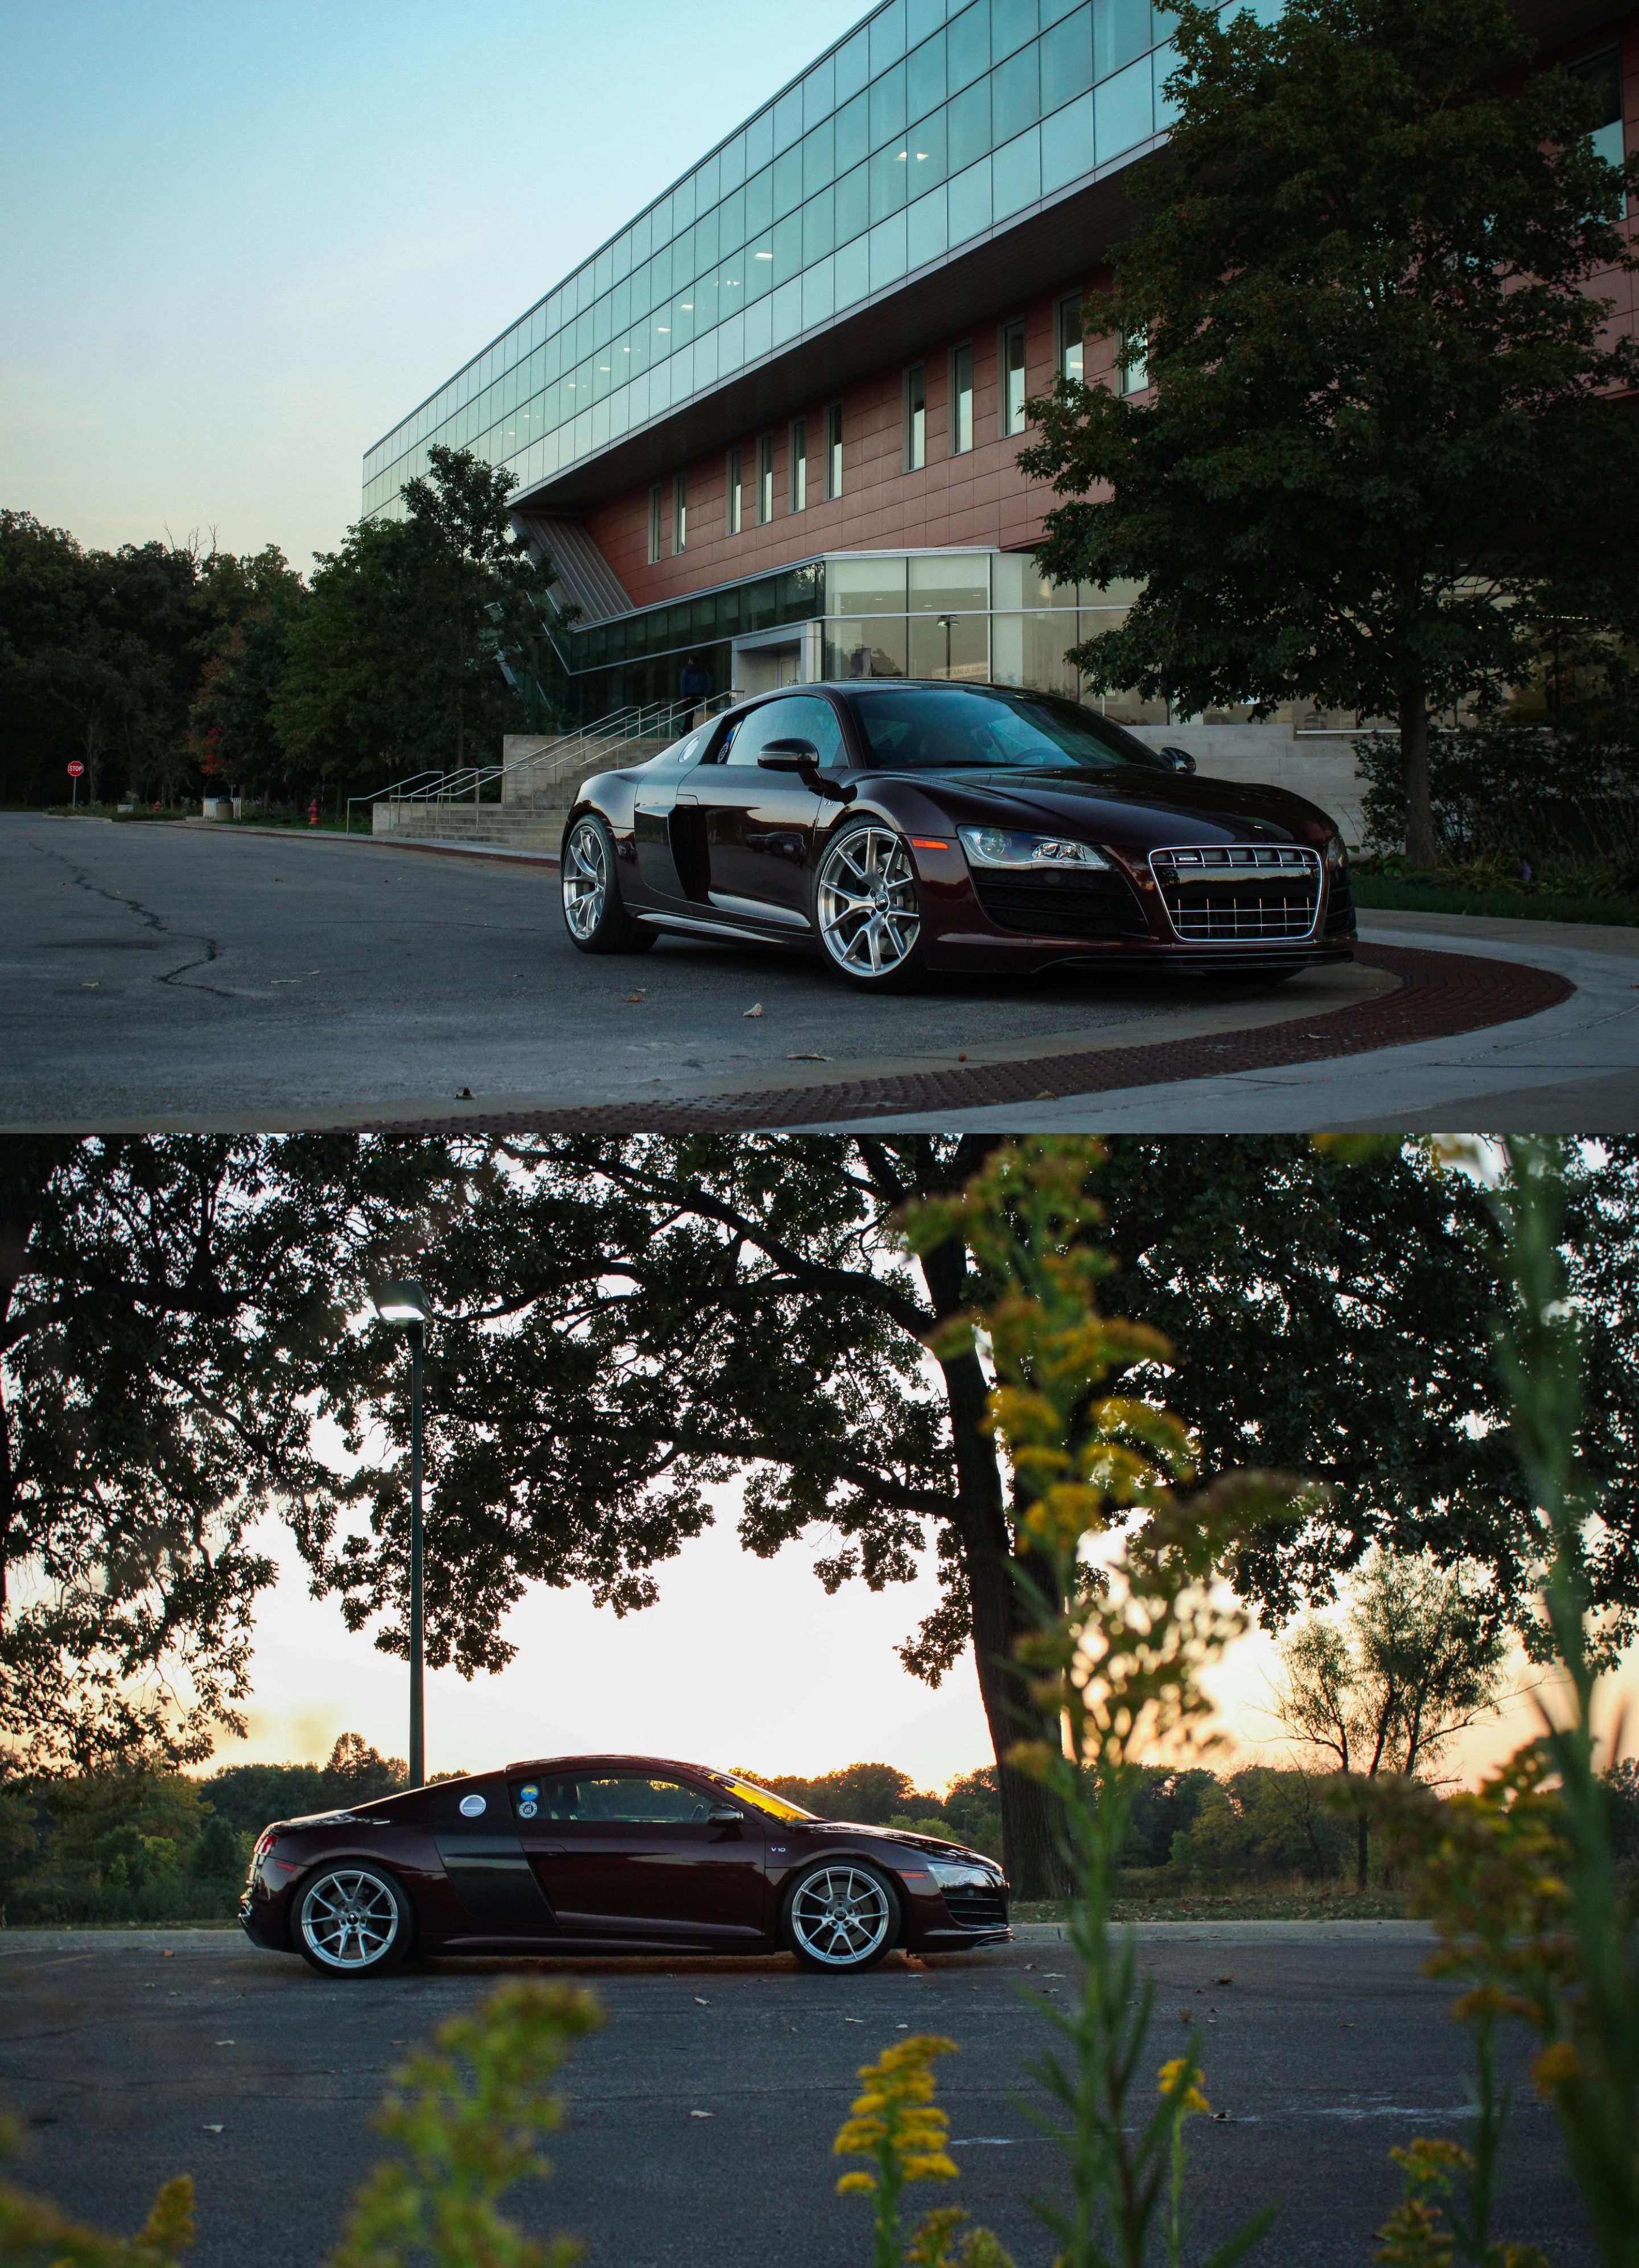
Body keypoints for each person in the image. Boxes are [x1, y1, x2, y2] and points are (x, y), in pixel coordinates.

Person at [679, 655, 714, 724]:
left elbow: (683, 683)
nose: (688, 661)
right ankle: (687, 730)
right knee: (692, 714)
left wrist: (683, 696)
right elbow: (710, 682)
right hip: (699, 695)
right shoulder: (703, 671)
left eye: (689, 660)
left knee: (689, 714)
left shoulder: (687, 670)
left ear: (692, 661)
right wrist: (706, 694)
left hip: (689, 695)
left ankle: (685, 731)